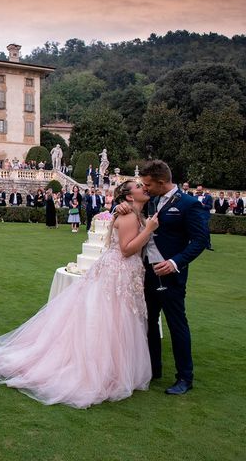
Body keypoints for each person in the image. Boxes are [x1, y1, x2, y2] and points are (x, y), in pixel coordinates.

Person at [0, 181, 159, 408]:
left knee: (119, 319)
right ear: (128, 196)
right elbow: (127, 250)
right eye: (138, 185)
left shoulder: (134, 212)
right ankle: (102, 370)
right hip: (119, 271)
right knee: (112, 319)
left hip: (125, 272)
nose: (144, 187)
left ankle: (114, 368)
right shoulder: (128, 217)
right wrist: (148, 229)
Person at [117, 160, 209, 395]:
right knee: (148, 323)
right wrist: (120, 207)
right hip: (146, 272)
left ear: (161, 182)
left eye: (148, 184)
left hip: (171, 276)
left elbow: (201, 241)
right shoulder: (152, 201)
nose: (145, 189)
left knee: (177, 325)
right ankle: (153, 368)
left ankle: (185, 378)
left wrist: (176, 262)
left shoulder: (189, 205)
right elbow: (132, 216)